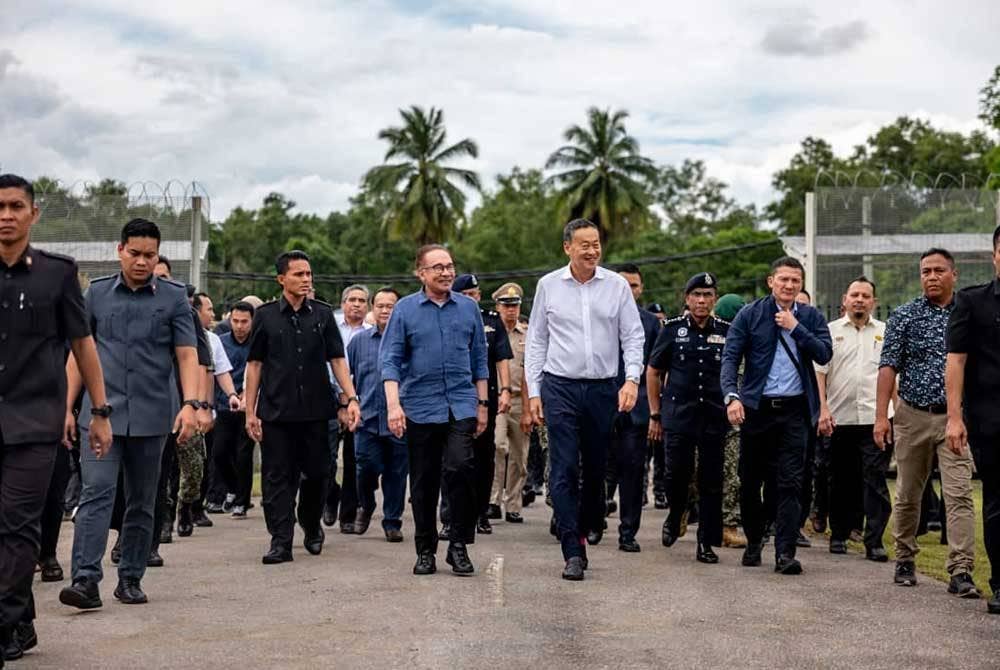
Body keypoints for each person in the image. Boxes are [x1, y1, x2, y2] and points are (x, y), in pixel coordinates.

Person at [60, 218, 200, 609]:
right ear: (120, 250)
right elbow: (79, 355)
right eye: (135, 253)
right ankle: (85, 581)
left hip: (153, 416)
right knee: (96, 493)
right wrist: (67, 407)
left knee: (142, 499)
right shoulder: (97, 295)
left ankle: (131, 578)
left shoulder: (173, 298)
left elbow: (187, 355)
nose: (142, 262)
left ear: (158, 257)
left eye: (150, 256)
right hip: (100, 416)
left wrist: (191, 404)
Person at [0, 175, 111, 662]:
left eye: (16, 206)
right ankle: (21, 618)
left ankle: (4, 623)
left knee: (17, 524)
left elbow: (82, 345)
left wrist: (99, 412)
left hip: (34, 422)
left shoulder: (57, 273)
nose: (6, 215)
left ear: (33, 214)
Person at [524, 219, 644, 581]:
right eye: (584, 245)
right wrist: (534, 390)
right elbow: (536, 341)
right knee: (563, 468)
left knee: (595, 469)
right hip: (559, 385)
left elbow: (632, 336)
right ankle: (572, 549)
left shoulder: (617, 286)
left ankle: (591, 519)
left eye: (596, 244)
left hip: (602, 388)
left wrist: (632, 380)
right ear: (567, 248)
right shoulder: (548, 286)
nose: (592, 251)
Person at [243, 251, 361, 564]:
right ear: (281, 278)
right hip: (276, 413)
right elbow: (254, 365)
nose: (306, 280)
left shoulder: (322, 315)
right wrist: (250, 411)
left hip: (316, 413)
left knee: (319, 475)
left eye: (309, 274)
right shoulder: (265, 316)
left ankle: (310, 524)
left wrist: (350, 398)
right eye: (298, 274)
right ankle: (281, 541)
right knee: (277, 479)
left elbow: (337, 360)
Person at [380, 245, 489, 576]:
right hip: (420, 408)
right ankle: (425, 549)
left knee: (460, 469)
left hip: (461, 404)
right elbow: (390, 361)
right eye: (438, 267)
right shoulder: (405, 310)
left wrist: (482, 404)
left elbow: (479, 360)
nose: (446, 273)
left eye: (450, 266)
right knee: (424, 482)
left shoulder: (469, 308)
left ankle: (458, 545)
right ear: (421, 273)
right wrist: (394, 406)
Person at [875, 248, 979, 596]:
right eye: (925, 271)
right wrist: (881, 418)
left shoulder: (969, 314)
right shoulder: (904, 316)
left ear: (954, 274)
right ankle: (905, 559)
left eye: (938, 270)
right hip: (912, 416)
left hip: (955, 420)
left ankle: (961, 570)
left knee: (959, 495)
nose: (931, 277)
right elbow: (888, 367)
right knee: (907, 494)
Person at [721, 257, 832, 575]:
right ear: (771, 281)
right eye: (783, 279)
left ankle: (785, 552)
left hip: (795, 411)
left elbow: (824, 354)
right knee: (751, 480)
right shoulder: (751, 314)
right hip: (757, 410)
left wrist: (796, 329)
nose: (789, 285)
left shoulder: (810, 316)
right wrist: (732, 396)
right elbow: (730, 358)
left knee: (790, 483)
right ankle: (755, 540)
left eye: (795, 280)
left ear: (801, 284)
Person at [648, 273, 729, 562]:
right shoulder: (671, 329)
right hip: (678, 415)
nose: (702, 301)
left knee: (710, 481)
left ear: (715, 299)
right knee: (676, 474)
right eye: (696, 295)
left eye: (707, 295)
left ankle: (704, 542)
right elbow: (654, 371)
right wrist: (655, 413)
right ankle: (675, 513)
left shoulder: (726, 330)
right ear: (687, 298)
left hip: (712, 416)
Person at [815, 277, 892, 561]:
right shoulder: (829, 331)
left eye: (865, 295)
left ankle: (874, 541)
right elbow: (820, 373)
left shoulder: (885, 332)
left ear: (874, 302)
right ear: (845, 300)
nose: (859, 300)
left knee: (875, 481)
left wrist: (891, 414)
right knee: (840, 480)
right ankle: (839, 534)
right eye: (854, 295)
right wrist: (822, 409)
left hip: (876, 418)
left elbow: (892, 374)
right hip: (839, 418)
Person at [946, 225, 1000, 614]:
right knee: (997, 502)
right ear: (995, 255)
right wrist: (954, 417)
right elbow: (956, 362)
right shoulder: (973, 302)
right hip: (990, 421)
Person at [446, 274, 512, 536]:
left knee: (484, 457)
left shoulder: (491, 322)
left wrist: (506, 389)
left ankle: (480, 512)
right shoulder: (448, 318)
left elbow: (502, 358)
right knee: (453, 459)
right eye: (469, 294)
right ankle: (450, 515)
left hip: (487, 398)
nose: (474, 298)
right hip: (455, 398)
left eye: (476, 293)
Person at [606, 264, 660, 553]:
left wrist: (655, 411)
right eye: (624, 284)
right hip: (600, 403)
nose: (629, 290)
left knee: (632, 472)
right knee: (595, 467)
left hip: (636, 407)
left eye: (635, 286)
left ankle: (628, 532)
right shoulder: (600, 315)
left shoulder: (651, 323)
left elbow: (656, 369)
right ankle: (592, 522)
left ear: (641, 289)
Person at [348, 287, 408, 541]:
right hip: (367, 419)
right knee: (366, 467)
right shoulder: (359, 342)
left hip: (400, 421)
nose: (385, 310)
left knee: (396, 472)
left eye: (390, 306)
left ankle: (392, 522)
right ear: (373, 308)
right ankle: (366, 504)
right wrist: (347, 403)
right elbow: (344, 376)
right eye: (380, 305)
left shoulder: (409, 341)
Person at [324, 284, 372, 533]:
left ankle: (348, 514)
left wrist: (352, 401)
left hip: (360, 402)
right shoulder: (330, 326)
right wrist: (341, 399)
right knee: (324, 460)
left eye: (362, 301)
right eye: (352, 300)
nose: (356, 304)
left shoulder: (372, 333)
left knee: (355, 460)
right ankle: (331, 494)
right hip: (329, 399)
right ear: (343, 304)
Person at [212, 301, 256, 518]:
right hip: (223, 404)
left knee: (243, 455)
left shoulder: (257, 343)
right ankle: (232, 487)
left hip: (249, 406)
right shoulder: (220, 343)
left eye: (244, 322)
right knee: (219, 453)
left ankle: (242, 501)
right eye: (235, 321)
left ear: (252, 322)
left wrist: (248, 396)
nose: (239, 326)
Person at [490, 283, 529, 523]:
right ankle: (493, 500)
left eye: (514, 305)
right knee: (497, 446)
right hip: (496, 399)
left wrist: (529, 409)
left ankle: (513, 504)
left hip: (519, 401)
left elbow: (530, 374)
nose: (511, 310)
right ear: (497, 307)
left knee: (519, 456)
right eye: (506, 305)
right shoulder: (491, 333)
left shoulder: (527, 336)